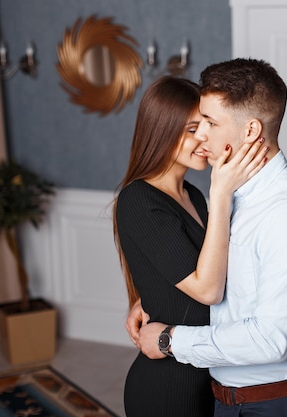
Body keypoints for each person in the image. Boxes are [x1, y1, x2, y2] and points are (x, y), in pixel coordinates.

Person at [127, 58, 287, 417]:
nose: (201, 135)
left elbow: (269, 340)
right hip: (226, 399)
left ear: (251, 130)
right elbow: (220, 283)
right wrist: (155, 298)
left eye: (210, 122)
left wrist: (169, 340)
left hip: (278, 406)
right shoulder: (231, 193)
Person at [113, 75, 268, 417]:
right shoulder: (138, 199)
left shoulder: (193, 195)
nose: (204, 138)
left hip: (208, 373)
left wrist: (154, 294)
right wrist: (223, 192)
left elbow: (212, 268)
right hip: (169, 386)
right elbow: (209, 290)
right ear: (161, 131)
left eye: (207, 126)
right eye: (190, 129)